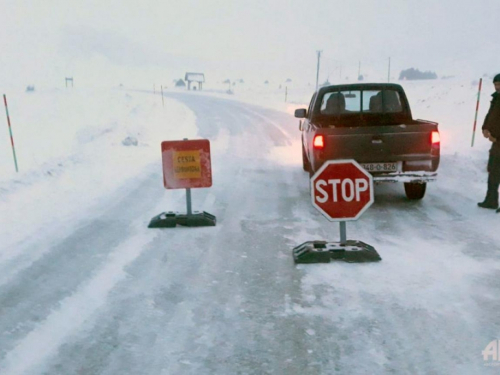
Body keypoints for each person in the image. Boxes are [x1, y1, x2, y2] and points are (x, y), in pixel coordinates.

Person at [478, 73, 500, 212]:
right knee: (493, 171)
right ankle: (491, 200)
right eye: (495, 84)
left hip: (498, 141)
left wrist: (498, 138)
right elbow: (491, 115)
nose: (497, 87)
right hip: (496, 144)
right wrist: (485, 128)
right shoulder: (496, 98)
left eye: (499, 84)